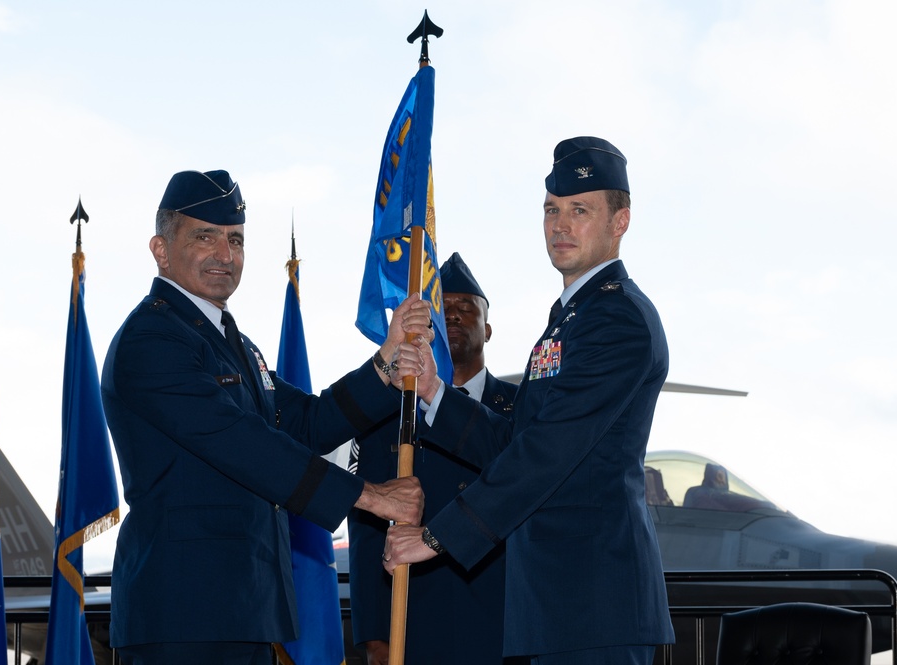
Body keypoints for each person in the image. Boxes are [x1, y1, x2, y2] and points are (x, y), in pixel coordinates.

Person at [100, 169, 432, 665]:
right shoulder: (153, 340)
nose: (225, 255)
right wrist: (371, 497)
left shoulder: (232, 344)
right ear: (161, 250)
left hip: (244, 611)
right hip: (183, 617)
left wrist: (384, 366)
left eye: (235, 240)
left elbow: (309, 422)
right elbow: (243, 445)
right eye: (205, 237)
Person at [384, 138, 676, 664]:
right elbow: (513, 439)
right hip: (554, 606)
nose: (560, 226)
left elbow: (547, 452)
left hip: (594, 606)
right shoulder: (572, 317)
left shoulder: (618, 319)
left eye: (580, 211)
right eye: (551, 210)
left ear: (621, 221)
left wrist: (438, 537)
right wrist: (434, 393)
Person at [347, 252, 523, 665]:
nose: (455, 316)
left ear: (489, 328)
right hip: (417, 621)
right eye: (445, 309)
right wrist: (374, 635)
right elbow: (367, 526)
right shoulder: (391, 414)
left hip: (506, 623)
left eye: (467, 308)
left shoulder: (519, 412)